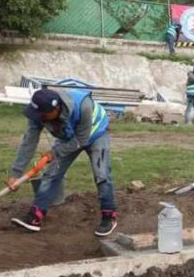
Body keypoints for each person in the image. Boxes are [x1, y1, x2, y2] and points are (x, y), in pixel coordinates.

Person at [8, 88, 117, 236]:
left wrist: (54, 153)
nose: (39, 118)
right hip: (68, 136)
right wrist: (16, 173)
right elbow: (29, 142)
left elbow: (81, 140)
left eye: (43, 116)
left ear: (56, 108)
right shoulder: (38, 113)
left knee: (101, 174)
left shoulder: (83, 106)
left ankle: (109, 216)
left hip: (95, 132)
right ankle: (36, 216)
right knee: (51, 173)